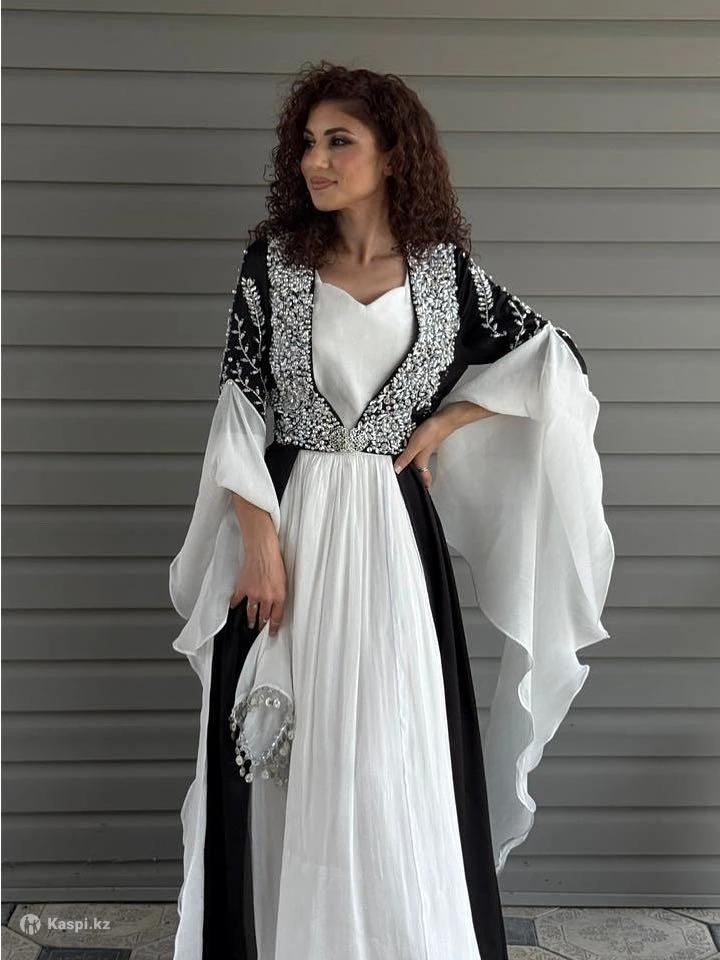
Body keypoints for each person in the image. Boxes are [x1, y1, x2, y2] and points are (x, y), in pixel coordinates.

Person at [169, 62, 615, 960]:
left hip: (393, 543)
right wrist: (258, 540)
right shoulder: (274, 268)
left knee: (386, 743)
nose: (315, 161)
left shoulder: (447, 278)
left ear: (393, 155)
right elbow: (239, 408)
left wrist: (451, 417)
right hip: (292, 525)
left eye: (339, 142)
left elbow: (556, 356)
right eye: (307, 143)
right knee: (284, 743)